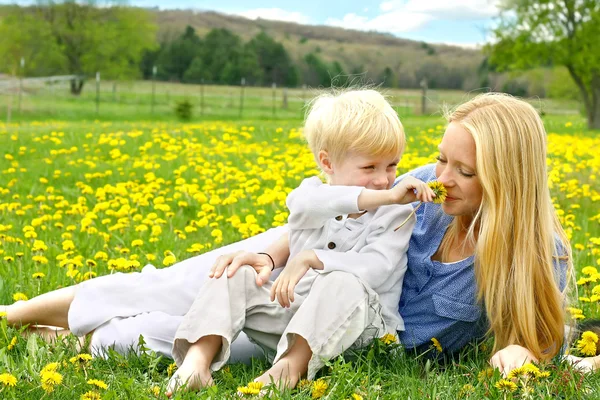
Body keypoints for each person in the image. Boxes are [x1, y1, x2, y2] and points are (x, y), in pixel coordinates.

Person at [3, 92, 598, 387]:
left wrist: (524, 357)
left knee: (143, 340)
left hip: (325, 326)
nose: (439, 179)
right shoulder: (420, 188)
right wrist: (265, 251)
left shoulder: (537, 255)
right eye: (441, 160)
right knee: (165, 285)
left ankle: (62, 339)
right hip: (286, 265)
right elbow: (331, 215)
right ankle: (17, 312)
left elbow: (536, 339)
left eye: (464, 173)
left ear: (509, 180)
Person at [165, 89, 435, 394]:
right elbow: (310, 205)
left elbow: (377, 268)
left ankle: (289, 368)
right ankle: (197, 360)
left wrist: (311, 257)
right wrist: (386, 195)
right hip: (290, 315)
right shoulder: (311, 196)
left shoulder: (396, 213)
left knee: (344, 281)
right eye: (369, 167)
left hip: (360, 333)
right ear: (327, 163)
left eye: (392, 166)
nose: (384, 180)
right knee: (234, 271)